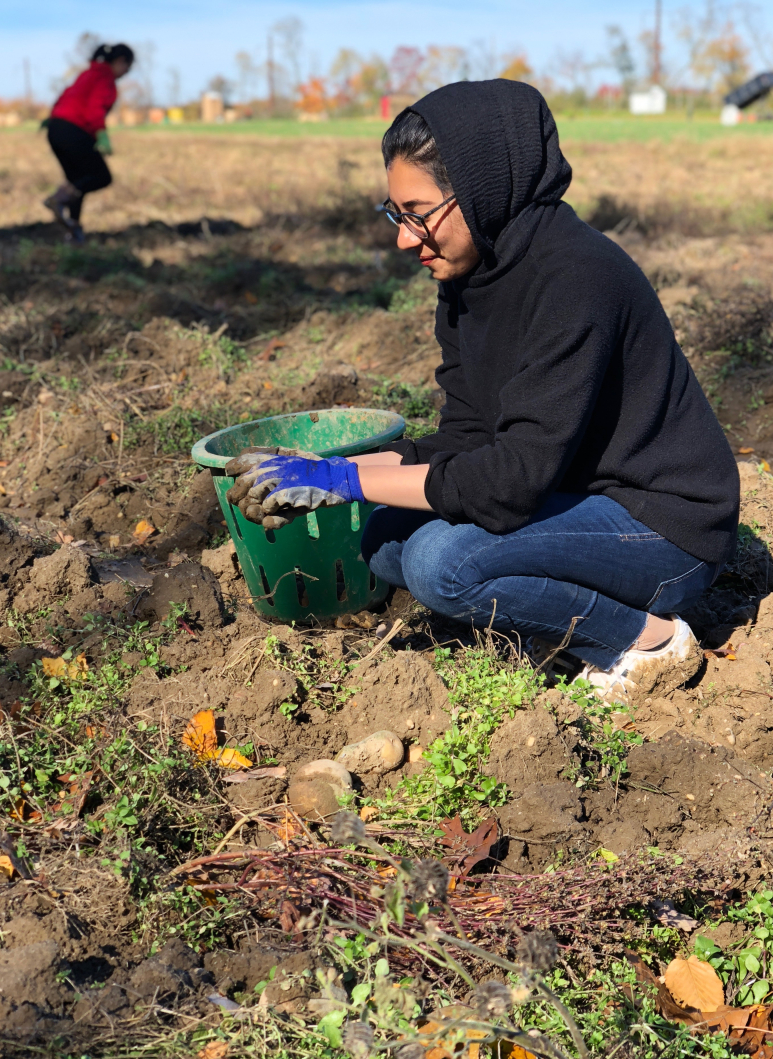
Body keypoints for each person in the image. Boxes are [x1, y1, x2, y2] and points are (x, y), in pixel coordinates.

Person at [227, 79, 739, 706]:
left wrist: (346, 483)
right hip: (576, 495)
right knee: (384, 539)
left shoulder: (577, 278)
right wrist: (328, 472)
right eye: (395, 213)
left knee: (442, 564)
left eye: (418, 213)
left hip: (661, 531)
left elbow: (511, 479)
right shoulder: (472, 276)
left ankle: (647, 640)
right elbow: (467, 437)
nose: (403, 238)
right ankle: (550, 621)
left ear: (482, 188)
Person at [43, 43, 134, 243]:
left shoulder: (87, 73)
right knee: (101, 177)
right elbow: (95, 108)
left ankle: (73, 231)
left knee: (78, 181)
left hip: (56, 128)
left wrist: (52, 119)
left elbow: (66, 95)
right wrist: (101, 133)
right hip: (74, 129)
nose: (127, 72)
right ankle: (58, 199)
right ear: (120, 62)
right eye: (128, 67)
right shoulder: (105, 78)